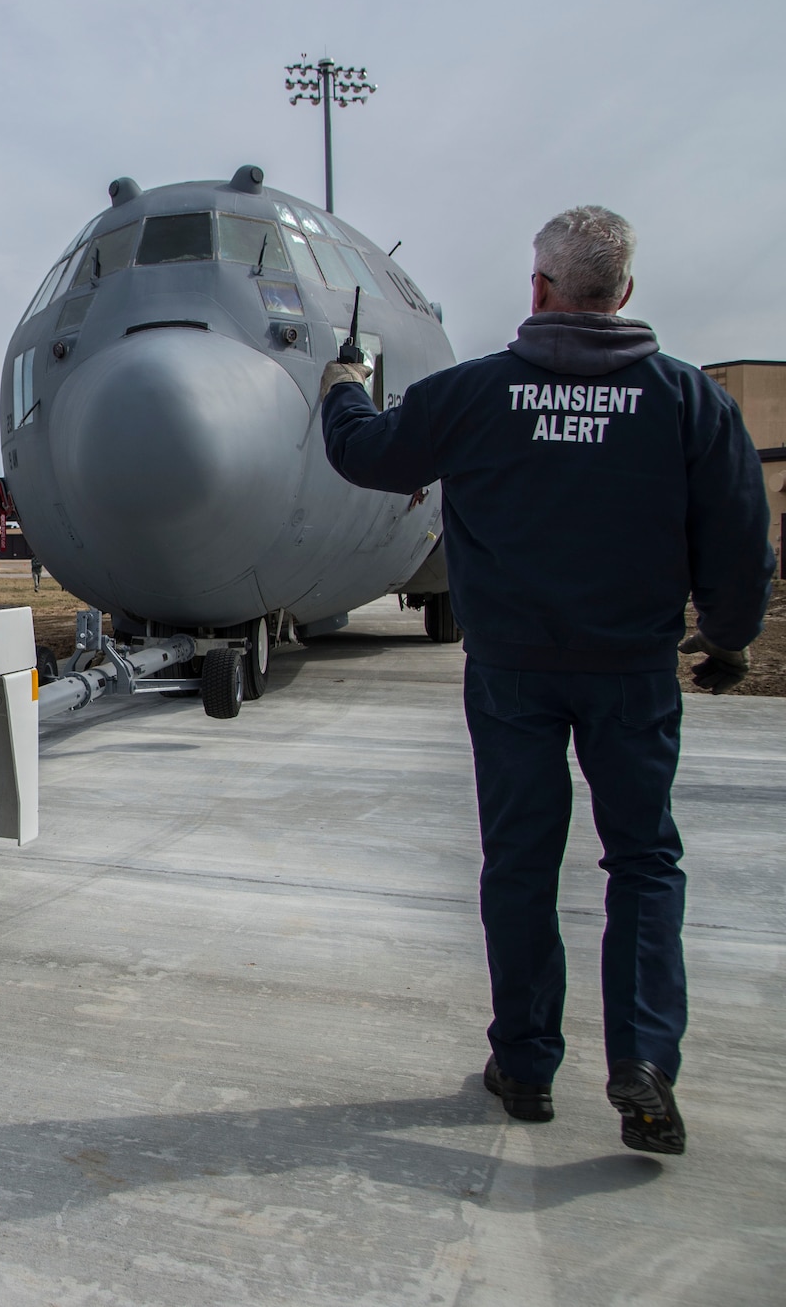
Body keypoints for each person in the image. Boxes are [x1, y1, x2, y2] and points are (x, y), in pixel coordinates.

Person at [320, 206, 774, 1156]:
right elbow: (739, 544)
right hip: (635, 674)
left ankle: (526, 1063)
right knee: (644, 863)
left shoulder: (477, 395)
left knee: (521, 866)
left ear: (538, 288)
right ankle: (644, 1060)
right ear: (624, 294)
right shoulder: (690, 402)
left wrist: (345, 386)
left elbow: (365, 454)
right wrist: (727, 642)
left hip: (514, 676)